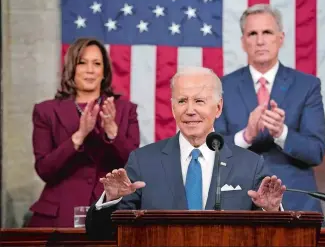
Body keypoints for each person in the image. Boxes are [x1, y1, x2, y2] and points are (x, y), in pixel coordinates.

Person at [85, 66, 286, 239]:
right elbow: (101, 233)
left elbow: (273, 237)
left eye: (199, 101)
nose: (190, 110)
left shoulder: (250, 166)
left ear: (218, 107)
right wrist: (111, 200)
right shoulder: (143, 162)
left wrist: (272, 211)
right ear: (173, 108)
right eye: (182, 101)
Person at [214, 4, 325, 214]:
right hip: (238, 199)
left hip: (294, 200)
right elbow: (211, 150)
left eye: (267, 32)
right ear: (243, 42)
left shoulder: (307, 86)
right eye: (252, 33)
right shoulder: (222, 87)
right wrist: (246, 136)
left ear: (280, 38)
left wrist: (281, 133)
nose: (260, 41)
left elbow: (316, 152)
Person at [27, 37, 141, 227]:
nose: (90, 70)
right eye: (82, 63)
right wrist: (78, 136)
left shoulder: (124, 109)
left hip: (109, 213)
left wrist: (113, 131)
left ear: (104, 71)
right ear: (72, 68)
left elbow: (134, 166)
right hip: (59, 215)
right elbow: (44, 170)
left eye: (96, 63)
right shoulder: (46, 111)